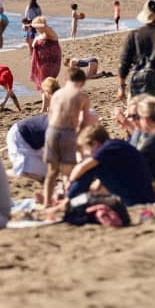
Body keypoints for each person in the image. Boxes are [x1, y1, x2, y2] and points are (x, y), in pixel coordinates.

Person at [67, 124, 155, 207]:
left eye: (85, 150)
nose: (86, 155)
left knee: (89, 169)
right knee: (91, 168)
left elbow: (81, 168)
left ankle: (69, 200)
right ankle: (71, 200)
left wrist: (70, 182)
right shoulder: (114, 147)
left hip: (137, 199)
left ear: (94, 143)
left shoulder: (108, 148)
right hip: (139, 195)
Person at [43, 69, 91, 207]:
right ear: (82, 82)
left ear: (67, 80)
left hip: (51, 131)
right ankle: (67, 203)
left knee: (52, 172)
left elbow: (50, 114)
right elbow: (85, 122)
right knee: (67, 172)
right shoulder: (82, 96)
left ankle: (47, 203)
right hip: (68, 132)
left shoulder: (56, 94)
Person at [6, 115, 48, 181]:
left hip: (37, 142)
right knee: (28, 176)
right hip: (21, 136)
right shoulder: (60, 130)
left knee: (42, 175)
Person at [30, 16, 62, 91]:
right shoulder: (40, 36)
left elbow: (44, 26)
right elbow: (33, 45)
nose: (36, 29)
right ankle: (51, 98)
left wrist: (32, 24)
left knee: (47, 84)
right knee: (45, 85)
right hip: (41, 64)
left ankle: (49, 99)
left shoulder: (50, 33)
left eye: (37, 27)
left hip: (51, 63)